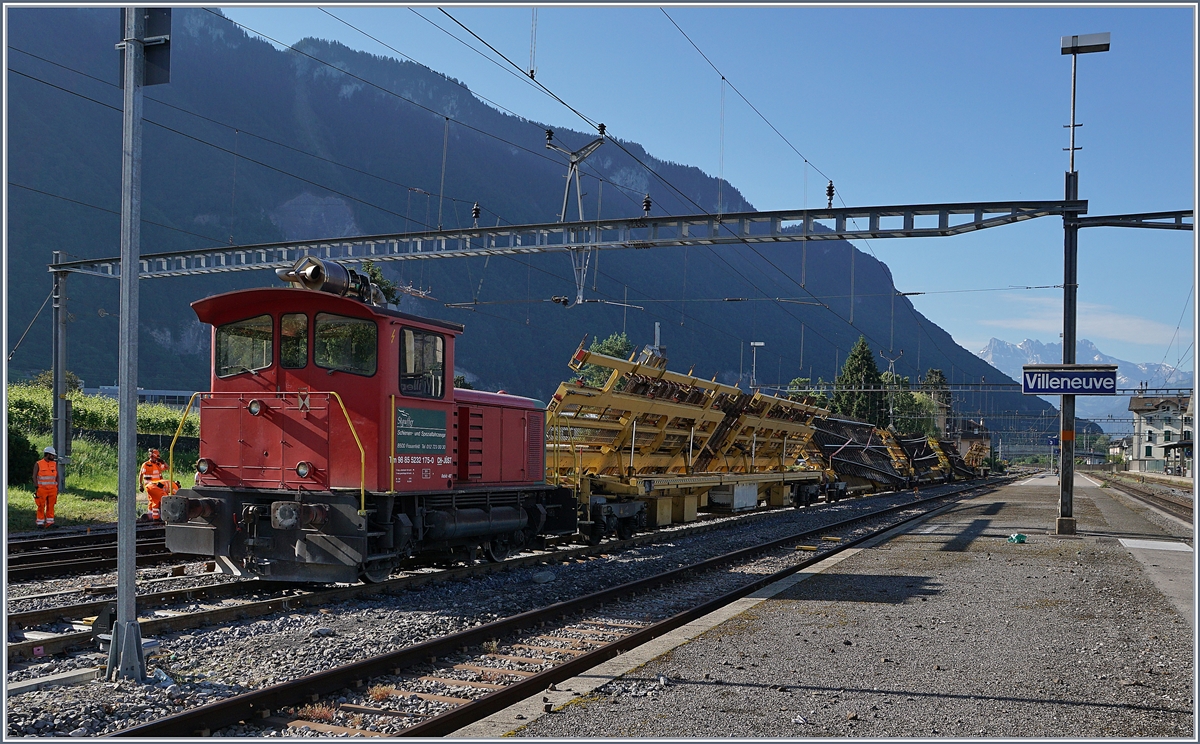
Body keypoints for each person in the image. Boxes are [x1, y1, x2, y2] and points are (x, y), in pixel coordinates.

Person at [32, 446, 58, 528]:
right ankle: (40, 522)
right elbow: (34, 476)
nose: (53, 457)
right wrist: (37, 487)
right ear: (48, 454)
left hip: (52, 489)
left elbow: (57, 476)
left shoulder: (54, 464)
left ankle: (50, 522)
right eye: (52, 455)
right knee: (41, 506)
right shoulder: (38, 464)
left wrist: (57, 487)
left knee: (51, 506)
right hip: (42, 489)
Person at [139, 448, 167, 521]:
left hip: (158, 486)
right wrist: (140, 484)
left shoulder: (158, 464)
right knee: (153, 500)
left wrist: (163, 462)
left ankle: (153, 515)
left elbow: (167, 467)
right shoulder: (146, 465)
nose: (155, 459)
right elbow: (141, 475)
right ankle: (153, 515)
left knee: (154, 500)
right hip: (149, 486)